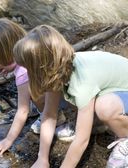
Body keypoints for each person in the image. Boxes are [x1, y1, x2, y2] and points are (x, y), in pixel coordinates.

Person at [13, 24, 128, 167]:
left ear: (42, 67)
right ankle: (97, 122)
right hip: (111, 88)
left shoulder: (82, 82)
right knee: (82, 102)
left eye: (28, 68)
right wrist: (42, 158)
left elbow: (81, 141)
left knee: (105, 107)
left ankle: (125, 138)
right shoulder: (56, 70)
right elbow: (49, 115)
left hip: (123, 89)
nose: (26, 73)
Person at [0, 18, 76, 157]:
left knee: (32, 91)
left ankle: (58, 120)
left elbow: (22, 110)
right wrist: (10, 67)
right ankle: (47, 112)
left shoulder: (22, 73)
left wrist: (8, 140)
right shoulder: (31, 49)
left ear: (5, 55)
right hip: (63, 88)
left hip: (64, 98)